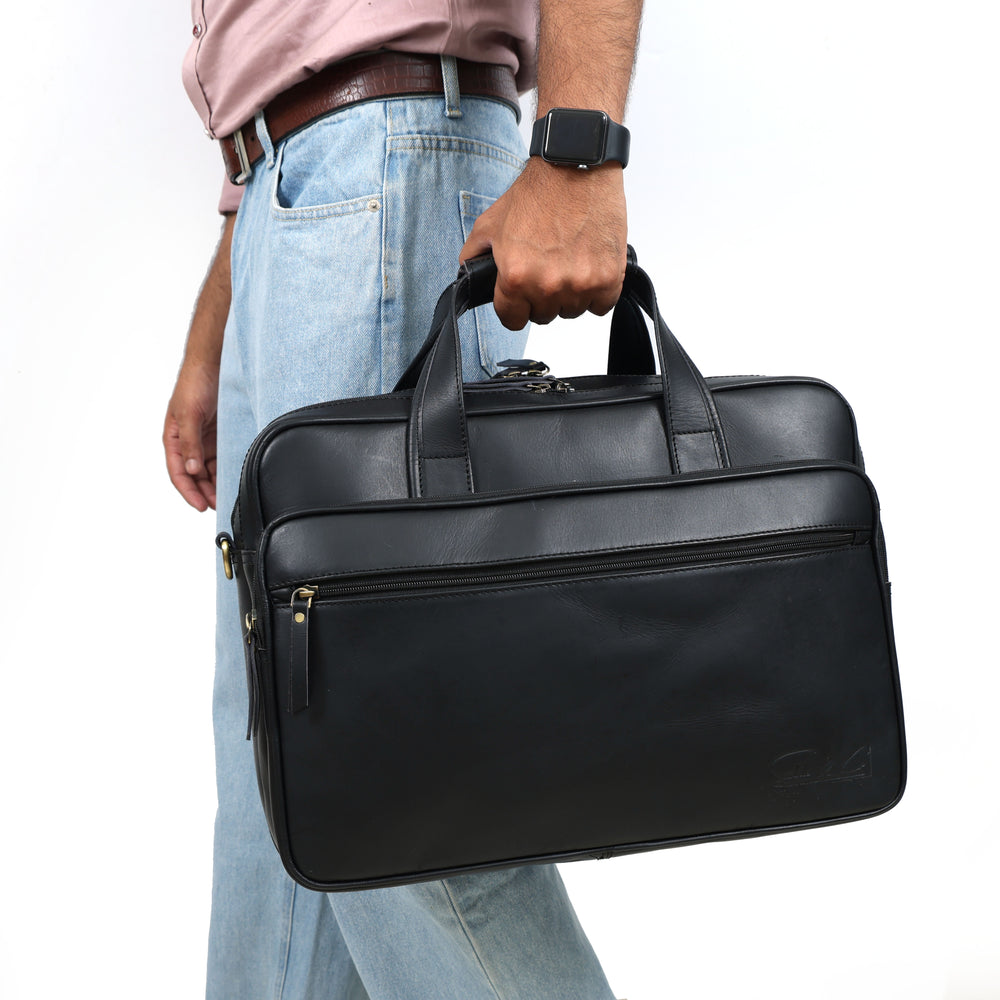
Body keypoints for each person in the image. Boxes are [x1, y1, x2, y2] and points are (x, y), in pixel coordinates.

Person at [164, 2, 642, 996]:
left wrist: (580, 148)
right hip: (285, 194)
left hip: (383, 160)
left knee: (399, 778)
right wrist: (225, 303)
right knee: (279, 789)